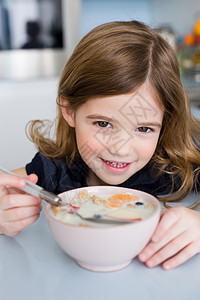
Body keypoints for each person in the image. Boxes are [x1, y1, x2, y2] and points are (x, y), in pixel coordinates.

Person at [1, 20, 200, 270]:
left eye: (143, 129)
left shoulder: (175, 165)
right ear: (69, 110)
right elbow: (8, 186)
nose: (120, 148)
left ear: (165, 122)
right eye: (103, 124)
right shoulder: (55, 169)